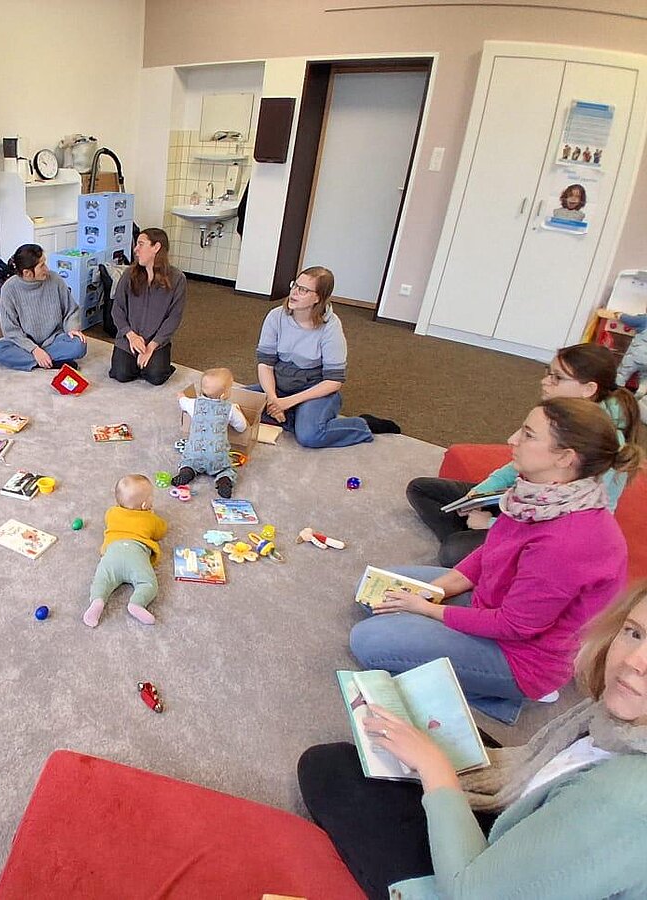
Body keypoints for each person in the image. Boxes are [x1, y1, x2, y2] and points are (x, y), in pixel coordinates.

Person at [300, 582, 647, 899]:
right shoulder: (614, 720)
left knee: (329, 767)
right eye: (635, 633)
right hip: (538, 824)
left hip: (472, 888)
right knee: (432, 737)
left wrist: (435, 768)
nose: (634, 661)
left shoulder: (623, 800)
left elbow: (470, 894)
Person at [351, 397, 641, 724]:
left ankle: (503, 694)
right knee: (373, 592)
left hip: (520, 655)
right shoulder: (539, 494)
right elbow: (491, 551)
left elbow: (514, 626)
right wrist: (435, 590)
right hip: (493, 601)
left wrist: (427, 609)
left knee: (368, 640)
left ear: (564, 458)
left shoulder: (569, 540)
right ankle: (444, 651)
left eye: (528, 435)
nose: (512, 439)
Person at [406, 343, 643, 567]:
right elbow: (514, 468)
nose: (545, 381)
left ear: (588, 389)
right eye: (548, 372)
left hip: (543, 524)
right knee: (421, 489)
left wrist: (491, 524)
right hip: (521, 500)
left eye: (557, 377)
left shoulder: (599, 441)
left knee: (452, 551)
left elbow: (566, 523)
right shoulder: (557, 415)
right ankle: (478, 545)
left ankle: (479, 548)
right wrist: (478, 494)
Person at [253, 266, 398, 448]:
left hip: (314, 390)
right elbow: (265, 364)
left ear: (318, 298)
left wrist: (287, 402)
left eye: (303, 290)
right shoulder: (275, 316)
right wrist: (273, 399)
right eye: (295, 285)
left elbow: (333, 382)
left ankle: (363, 424)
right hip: (280, 385)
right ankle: (296, 416)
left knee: (310, 436)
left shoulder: (331, 327)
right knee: (232, 404)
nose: (294, 293)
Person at [83, 474, 168, 628]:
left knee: (101, 580)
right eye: (151, 497)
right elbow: (161, 531)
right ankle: (137, 603)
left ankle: (97, 601)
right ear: (144, 505)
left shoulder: (111, 512)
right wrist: (152, 515)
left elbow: (108, 521)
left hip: (112, 552)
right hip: (136, 554)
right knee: (148, 583)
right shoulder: (150, 519)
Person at [0, 243, 88, 371]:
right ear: (27, 273)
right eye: (42, 265)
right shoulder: (9, 289)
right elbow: (10, 330)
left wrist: (72, 328)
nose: (47, 268)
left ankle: (41, 360)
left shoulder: (55, 280)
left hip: (54, 339)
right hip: (24, 344)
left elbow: (71, 310)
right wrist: (34, 349)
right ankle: (51, 361)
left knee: (79, 345)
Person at [109, 228, 186, 385]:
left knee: (155, 376)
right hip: (129, 337)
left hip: (156, 341)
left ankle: (158, 364)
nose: (135, 249)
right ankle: (138, 363)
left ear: (156, 247)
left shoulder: (178, 279)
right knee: (121, 374)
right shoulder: (129, 274)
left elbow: (174, 317)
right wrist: (130, 335)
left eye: (141, 244)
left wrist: (152, 346)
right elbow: (117, 308)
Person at [173, 366, 247, 499]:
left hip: (195, 453)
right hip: (216, 456)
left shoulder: (193, 404)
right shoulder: (229, 408)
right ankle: (224, 480)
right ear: (224, 395)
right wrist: (237, 411)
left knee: (188, 462)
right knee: (226, 469)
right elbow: (242, 426)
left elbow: (182, 402)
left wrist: (181, 397)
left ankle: (187, 472)